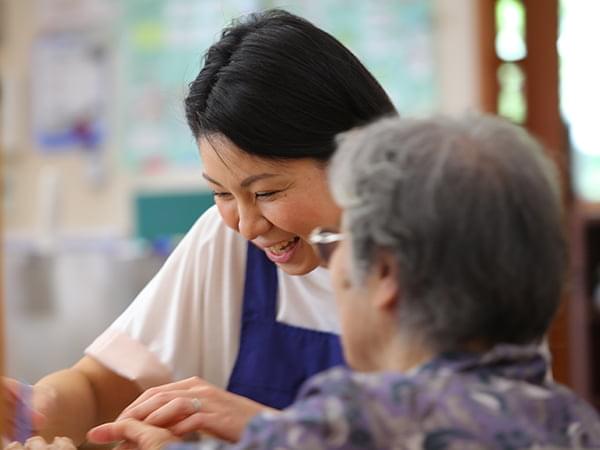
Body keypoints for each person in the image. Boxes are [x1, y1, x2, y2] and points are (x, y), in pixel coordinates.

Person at [81, 114, 600, 449]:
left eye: (339, 240)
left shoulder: (353, 419)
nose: (246, 221)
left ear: (386, 275)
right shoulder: (572, 422)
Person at [3, 8, 396, 445]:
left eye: (266, 193)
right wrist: (39, 410)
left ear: (353, 159)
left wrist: (265, 431)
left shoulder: (447, 265)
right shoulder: (228, 244)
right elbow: (99, 391)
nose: (247, 226)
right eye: (222, 194)